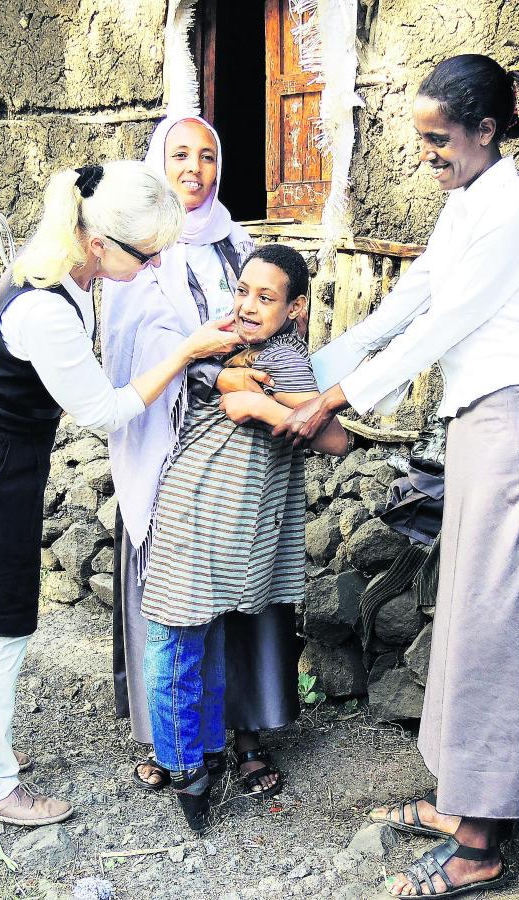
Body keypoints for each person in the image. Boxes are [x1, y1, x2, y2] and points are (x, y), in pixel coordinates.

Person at [274, 55, 519, 897]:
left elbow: (445, 325)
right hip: (488, 423)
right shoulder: (469, 205)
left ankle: (480, 843)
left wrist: (333, 397)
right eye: (420, 139)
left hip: (516, 423)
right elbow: (409, 301)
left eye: (438, 138)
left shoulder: (515, 211)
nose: (426, 153)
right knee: (473, 613)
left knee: (494, 624)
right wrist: (308, 371)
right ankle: (467, 804)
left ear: (487, 131)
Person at [0, 161, 240, 827]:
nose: (159, 263)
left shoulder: (65, 262)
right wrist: (186, 352)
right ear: (100, 243)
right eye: (151, 254)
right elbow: (104, 412)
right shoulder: (46, 306)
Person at [102, 112, 298, 800]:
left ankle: (243, 733)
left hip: (238, 456)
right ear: (158, 164)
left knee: (241, 590)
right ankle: (172, 739)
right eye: (180, 155)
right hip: (168, 448)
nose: (195, 169)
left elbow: (264, 331)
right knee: (176, 604)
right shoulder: (134, 256)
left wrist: (252, 377)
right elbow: (134, 355)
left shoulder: (235, 245)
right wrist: (218, 376)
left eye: (208, 156)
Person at [140, 245, 349, 832]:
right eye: (243, 291)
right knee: (180, 638)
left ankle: (193, 761)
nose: (249, 306)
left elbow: (335, 440)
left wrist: (259, 401)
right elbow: (203, 385)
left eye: (267, 296)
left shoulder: (285, 356)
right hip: (193, 503)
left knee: (191, 640)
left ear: (297, 307)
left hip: (228, 515)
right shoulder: (221, 341)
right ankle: (188, 763)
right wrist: (243, 391)